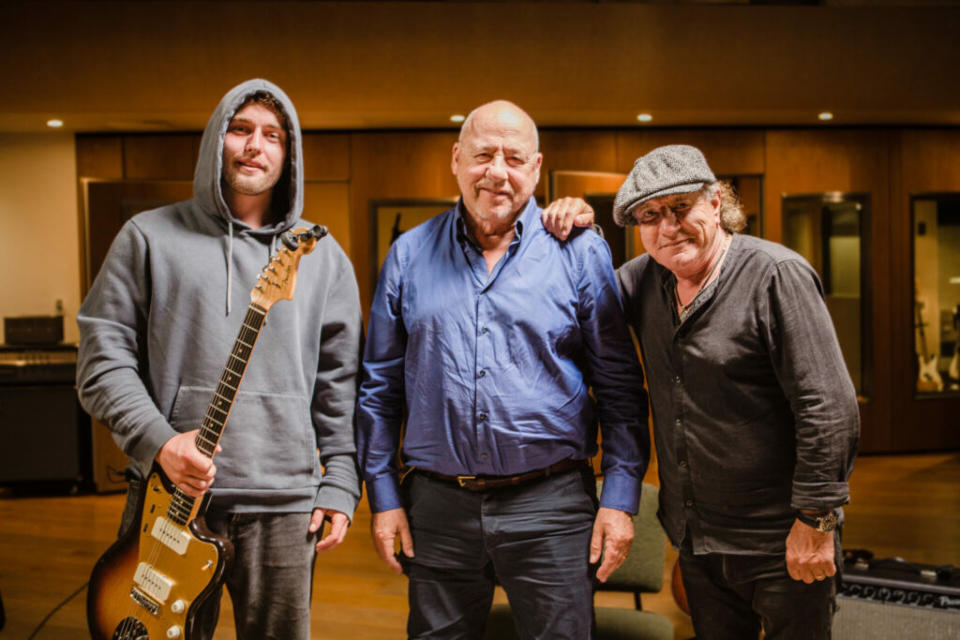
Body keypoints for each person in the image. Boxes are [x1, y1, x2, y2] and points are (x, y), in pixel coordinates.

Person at [77, 79, 363, 640]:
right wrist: (160, 440)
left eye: (273, 135)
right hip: (170, 497)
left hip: (285, 503)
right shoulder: (148, 237)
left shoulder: (321, 256)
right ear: (218, 140)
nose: (255, 145)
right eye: (241, 129)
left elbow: (342, 383)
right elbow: (100, 358)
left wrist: (342, 481)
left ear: (290, 152)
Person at [356, 100, 650, 639]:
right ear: (456, 159)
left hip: (552, 508)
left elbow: (620, 388)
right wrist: (383, 496)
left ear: (535, 168)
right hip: (436, 508)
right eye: (483, 154)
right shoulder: (407, 255)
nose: (497, 171)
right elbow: (378, 389)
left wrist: (619, 499)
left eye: (513, 158)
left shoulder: (579, 253)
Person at [572, 144, 857, 639]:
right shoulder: (645, 279)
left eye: (681, 208)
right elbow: (579, 301)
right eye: (650, 215)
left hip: (781, 538)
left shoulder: (775, 276)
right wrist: (578, 233)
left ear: (716, 203)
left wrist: (816, 521)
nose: (668, 227)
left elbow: (828, 408)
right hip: (696, 539)